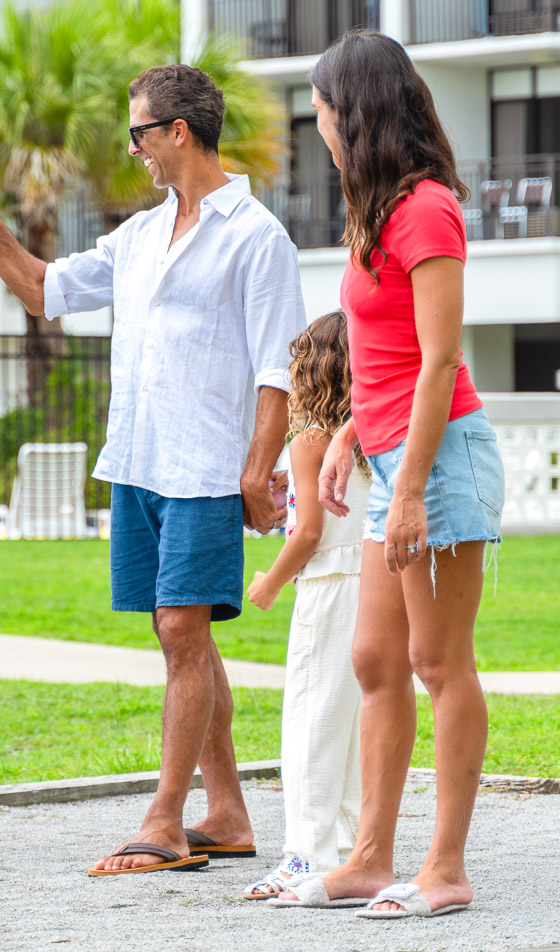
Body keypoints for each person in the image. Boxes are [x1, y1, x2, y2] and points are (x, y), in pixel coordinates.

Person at [0, 63, 307, 877]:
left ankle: (167, 821)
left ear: (178, 132)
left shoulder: (256, 238)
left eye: (138, 131)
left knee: (182, 630)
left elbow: (280, 368)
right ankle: (230, 813)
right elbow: (40, 291)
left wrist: (258, 468)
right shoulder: (136, 239)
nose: (132, 147)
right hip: (137, 462)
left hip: (206, 469)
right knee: (183, 636)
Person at [272, 31, 505, 920]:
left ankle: (443, 869)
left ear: (356, 111)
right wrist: (345, 433)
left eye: (324, 109)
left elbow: (441, 361)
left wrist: (404, 486)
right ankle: (370, 858)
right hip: (390, 450)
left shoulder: (428, 209)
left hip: (438, 460)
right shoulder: (375, 210)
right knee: (374, 658)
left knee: (437, 662)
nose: (318, 125)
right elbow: (379, 346)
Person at [241, 312, 369, 901]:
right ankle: (344, 842)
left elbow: (310, 533)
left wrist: (270, 581)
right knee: (349, 723)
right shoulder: (368, 435)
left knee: (310, 721)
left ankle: (305, 854)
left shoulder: (309, 439)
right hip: (371, 586)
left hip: (326, 589)